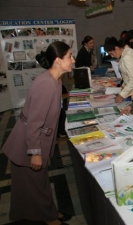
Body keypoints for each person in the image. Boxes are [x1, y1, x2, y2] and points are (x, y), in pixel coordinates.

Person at [2, 41, 75, 225]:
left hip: (35, 140)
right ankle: (47, 217)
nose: (73, 60)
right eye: (69, 57)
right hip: (28, 144)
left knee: (35, 183)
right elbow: (34, 123)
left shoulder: (55, 81)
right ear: (58, 60)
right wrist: (34, 152)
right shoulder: (46, 84)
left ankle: (46, 211)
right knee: (35, 185)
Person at [104, 36, 133, 103]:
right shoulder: (126, 53)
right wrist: (123, 86)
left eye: (111, 53)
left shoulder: (127, 57)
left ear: (116, 48)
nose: (112, 56)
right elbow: (127, 76)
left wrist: (121, 95)